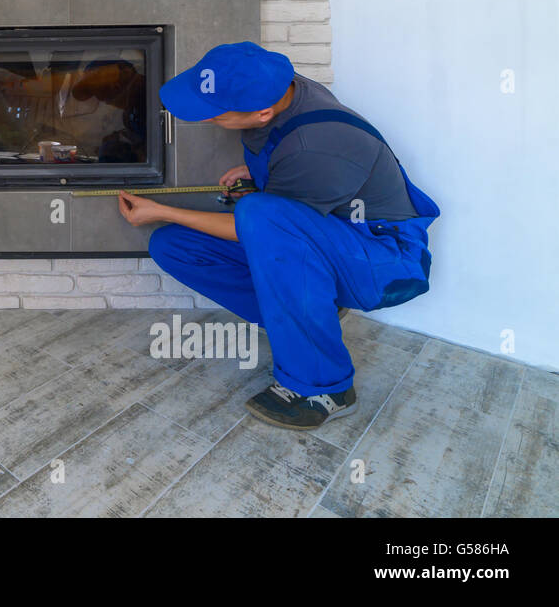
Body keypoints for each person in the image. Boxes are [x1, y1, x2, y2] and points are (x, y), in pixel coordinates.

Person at [117, 42, 440, 430]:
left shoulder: (316, 146)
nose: (206, 121)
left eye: (216, 117)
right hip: (335, 239)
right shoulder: (284, 90)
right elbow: (299, 185)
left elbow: (263, 220)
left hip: (383, 259)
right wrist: (263, 172)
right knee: (172, 244)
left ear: (261, 113)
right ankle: (307, 314)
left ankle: (324, 388)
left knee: (257, 213)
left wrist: (162, 210)